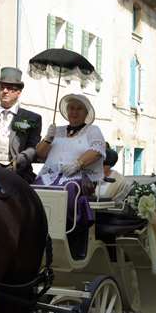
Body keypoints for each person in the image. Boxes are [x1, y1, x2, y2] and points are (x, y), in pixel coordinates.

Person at [35, 93, 105, 258]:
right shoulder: (58, 131)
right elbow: (40, 154)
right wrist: (48, 138)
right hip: (50, 176)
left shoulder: (92, 130)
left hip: (79, 177)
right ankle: (37, 230)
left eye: (79, 109)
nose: (74, 112)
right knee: (34, 189)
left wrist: (77, 164)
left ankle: (63, 233)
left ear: (86, 113)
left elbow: (97, 151)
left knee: (67, 191)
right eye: (71, 108)